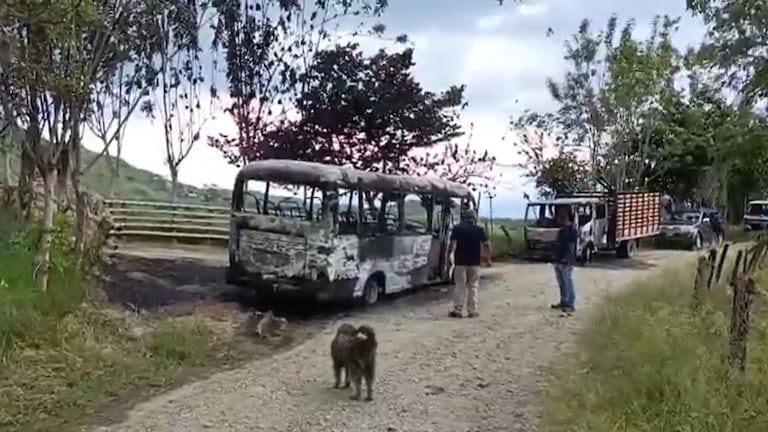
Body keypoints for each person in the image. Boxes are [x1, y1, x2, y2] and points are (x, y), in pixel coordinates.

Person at [447, 208, 491, 318]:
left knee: (459, 286)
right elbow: (487, 245)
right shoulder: (479, 230)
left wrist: (449, 257)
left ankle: (457, 310)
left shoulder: (457, 229)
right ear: (474, 218)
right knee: (473, 286)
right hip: (475, 263)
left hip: (460, 262)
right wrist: (488, 258)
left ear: (464, 218)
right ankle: (472, 311)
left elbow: (452, 245)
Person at [550, 208, 578, 313]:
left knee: (567, 281)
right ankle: (564, 301)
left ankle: (570, 303)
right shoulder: (562, 230)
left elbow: (571, 247)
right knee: (562, 282)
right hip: (559, 259)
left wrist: (566, 258)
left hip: (566, 260)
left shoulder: (571, 231)